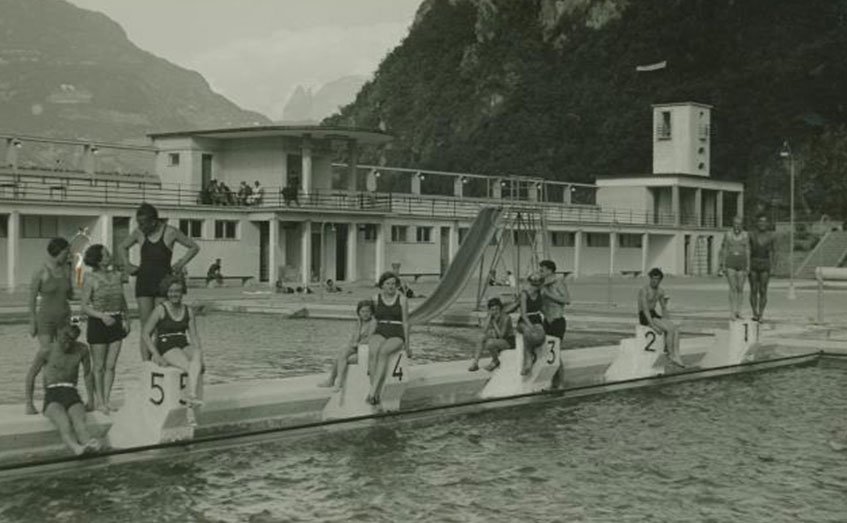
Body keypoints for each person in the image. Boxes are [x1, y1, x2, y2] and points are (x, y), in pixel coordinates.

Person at [119, 203, 199, 361]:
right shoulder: (139, 233)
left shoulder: (170, 232)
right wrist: (127, 265)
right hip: (144, 281)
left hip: (163, 283)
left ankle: (159, 359)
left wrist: (181, 263)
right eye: (138, 223)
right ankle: (145, 364)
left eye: (143, 223)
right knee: (145, 326)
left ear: (154, 221)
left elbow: (193, 247)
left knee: (160, 326)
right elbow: (122, 247)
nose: (140, 226)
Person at [24, 324, 101, 455]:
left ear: (75, 339)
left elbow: (88, 374)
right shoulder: (46, 350)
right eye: (63, 341)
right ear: (58, 337)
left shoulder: (82, 349)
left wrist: (91, 399)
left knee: (80, 424)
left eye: (70, 342)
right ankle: (76, 448)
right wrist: (29, 403)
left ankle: (89, 443)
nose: (66, 345)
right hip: (52, 395)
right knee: (64, 423)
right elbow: (31, 375)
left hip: (72, 393)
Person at [141, 275, 204, 421]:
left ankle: (191, 397)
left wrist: (200, 356)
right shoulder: (160, 309)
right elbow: (145, 333)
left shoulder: (188, 310)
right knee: (187, 365)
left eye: (177, 291)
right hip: (166, 344)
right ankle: (191, 399)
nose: (174, 294)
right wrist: (156, 354)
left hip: (182, 342)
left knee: (197, 356)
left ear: (182, 292)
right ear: (166, 292)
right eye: (171, 291)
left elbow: (194, 336)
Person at [26, 238, 74, 414]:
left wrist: (73, 277)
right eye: (66, 252)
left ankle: (56, 399)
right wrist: (32, 322)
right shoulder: (41, 271)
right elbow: (31, 299)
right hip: (45, 320)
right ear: (58, 251)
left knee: (61, 359)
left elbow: (70, 295)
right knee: (47, 359)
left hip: (64, 319)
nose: (68, 255)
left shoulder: (66, 270)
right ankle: (30, 402)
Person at [80, 245, 129, 413]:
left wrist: (126, 319)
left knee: (111, 365)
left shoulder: (117, 276)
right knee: (99, 366)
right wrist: (101, 316)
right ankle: (99, 401)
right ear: (99, 260)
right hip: (98, 322)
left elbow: (122, 300)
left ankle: (107, 400)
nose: (109, 255)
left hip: (116, 321)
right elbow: (84, 306)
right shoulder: (90, 278)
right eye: (106, 254)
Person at [367, 272, 412, 405]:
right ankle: (374, 391)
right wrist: (369, 337)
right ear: (382, 285)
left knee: (383, 352)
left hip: (396, 331)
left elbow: (406, 322)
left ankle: (372, 393)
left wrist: (407, 345)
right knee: (374, 351)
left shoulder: (402, 300)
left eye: (393, 283)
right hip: (380, 330)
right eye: (388, 283)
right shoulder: (375, 298)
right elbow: (374, 320)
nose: (391, 286)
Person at [318, 300, 377, 390]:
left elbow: (369, 339)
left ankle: (335, 381)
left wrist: (356, 344)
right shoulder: (359, 322)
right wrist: (359, 325)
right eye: (362, 311)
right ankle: (335, 381)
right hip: (357, 348)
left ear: (371, 312)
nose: (365, 314)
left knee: (345, 359)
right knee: (342, 353)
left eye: (367, 311)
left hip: (367, 350)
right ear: (358, 312)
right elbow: (354, 338)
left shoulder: (373, 323)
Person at [637, 268, 685, 367]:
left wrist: (667, 320)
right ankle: (671, 355)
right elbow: (645, 309)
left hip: (653, 313)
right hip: (644, 315)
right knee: (669, 329)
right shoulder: (644, 290)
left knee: (675, 329)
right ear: (650, 278)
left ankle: (677, 355)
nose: (655, 281)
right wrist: (652, 326)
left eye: (657, 279)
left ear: (660, 280)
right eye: (653, 279)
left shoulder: (661, 291)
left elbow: (663, 308)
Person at [468, 297, 515, 372]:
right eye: (492, 310)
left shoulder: (506, 318)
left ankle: (495, 361)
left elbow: (502, 335)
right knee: (481, 337)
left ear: (501, 309)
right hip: (499, 339)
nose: (495, 311)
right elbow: (483, 331)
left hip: (509, 341)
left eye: (497, 309)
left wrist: (494, 323)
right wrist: (489, 316)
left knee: (489, 343)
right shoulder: (492, 316)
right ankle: (475, 363)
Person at [718, 216, 750, 319]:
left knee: (740, 287)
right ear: (733, 224)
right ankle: (732, 311)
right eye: (736, 224)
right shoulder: (728, 234)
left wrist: (748, 265)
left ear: (742, 225)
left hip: (742, 261)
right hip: (731, 261)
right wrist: (722, 264)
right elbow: (724, 249)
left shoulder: (745, 235)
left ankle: (739, 311)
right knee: (732, 288)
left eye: (739, 224)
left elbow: (748, 250)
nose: (737, 226)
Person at [518, 273, 548, 376]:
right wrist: (531, 327)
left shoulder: (540, 293)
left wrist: (549, 317)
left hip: (536, 319)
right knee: (527, 333)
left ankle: (530, 358)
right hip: (524, 320)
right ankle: (527, 363)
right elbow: (523, 314)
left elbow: (542, 308)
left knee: (539, 335)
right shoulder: (524, 294)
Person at [748, 214, 776, 322]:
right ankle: (754, 312)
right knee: (753, 289)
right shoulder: (751, 235)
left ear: (767, 224)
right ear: (757, 223)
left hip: (765, 263)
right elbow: (748, 250)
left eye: (764, 222)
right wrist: (747, 265)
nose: (762, 224)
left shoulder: (771, 236)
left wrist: (773, 266)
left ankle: (761, 313)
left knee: (763, 290)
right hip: (753, 262)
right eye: (760, 221)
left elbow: (774, 252)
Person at [538, 260, 570, 340]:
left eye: (542, 270)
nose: (540, 272)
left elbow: (567, 300)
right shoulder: (542, 284)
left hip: (557, 319)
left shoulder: (558, 283)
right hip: (547, 319)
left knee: (555, 348)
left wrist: (548, 294)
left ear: (550, 270)